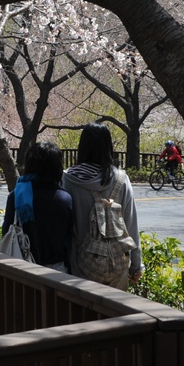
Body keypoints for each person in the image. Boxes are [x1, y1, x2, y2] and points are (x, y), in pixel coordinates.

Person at [62, 123, 142, 289]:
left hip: (79, 266)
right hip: (116, 265)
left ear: (82, 146)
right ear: (108, 146)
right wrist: (136, 265)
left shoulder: (67, 179)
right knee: (114, 311)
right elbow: (131, 223)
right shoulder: (121, 179)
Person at [1, 141, 74, 271]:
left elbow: (6, 232)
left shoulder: (17, 196)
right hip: (56, 270)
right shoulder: (64, 199)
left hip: (22, 268)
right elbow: (69, 239)